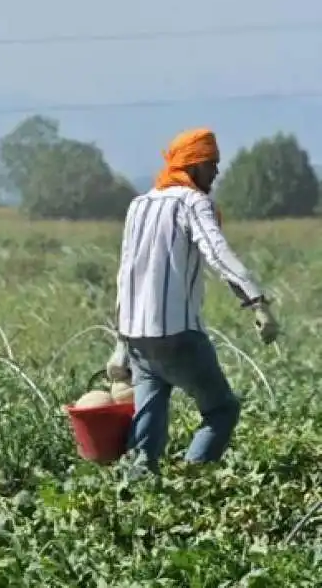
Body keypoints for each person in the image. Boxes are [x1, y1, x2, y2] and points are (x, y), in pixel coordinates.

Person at [106, 127, 279, 479]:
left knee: (148, 430)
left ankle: (137, 492)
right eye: (210, 164)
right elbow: (217, 253)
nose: (216, 172)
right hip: (178, 336)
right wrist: (257, 302)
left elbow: (127, 273)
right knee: (221, 410)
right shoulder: (193, 202)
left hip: (139, 338)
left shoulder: (139, 205)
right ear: (192, 167)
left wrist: (120, 344)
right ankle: (191, 483)